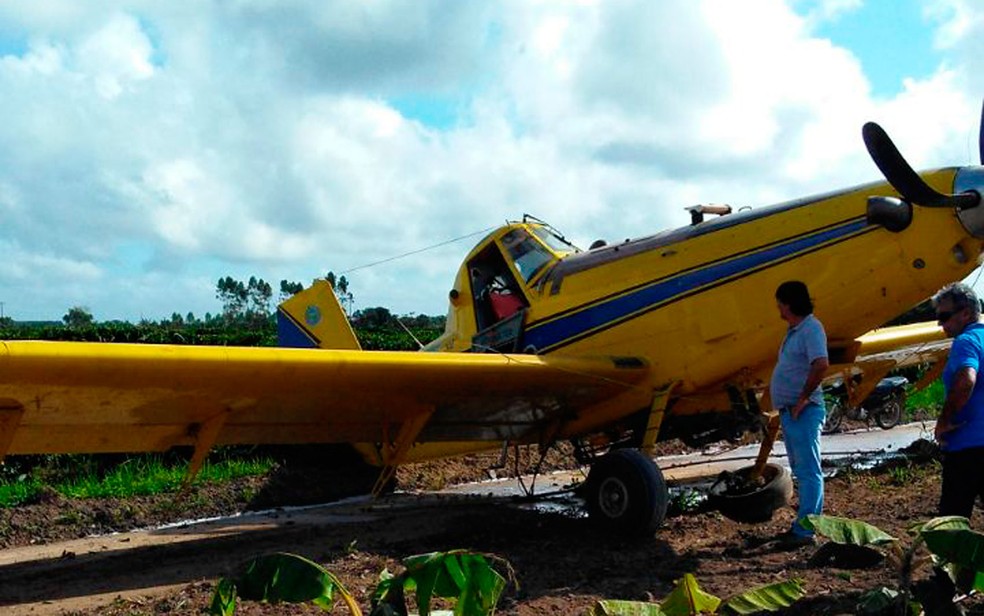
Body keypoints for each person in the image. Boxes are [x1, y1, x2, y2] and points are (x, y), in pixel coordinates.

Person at [770, 280, 829, 548]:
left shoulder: (811, 329)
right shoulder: (794, 331)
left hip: (803, 411)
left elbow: (820, 364)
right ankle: (802, 525)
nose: (779, 309)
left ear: (789, 303)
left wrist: (803, 398)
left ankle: (806, 530)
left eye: (780, 303)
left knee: (808, 471)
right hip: (792, 411)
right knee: (801, 469)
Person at [933, 282, 984, 518]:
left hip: (968, 448)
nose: (940, 323)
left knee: (951, 526)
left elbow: (966, 379)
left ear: (965, 313)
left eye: (944, 316)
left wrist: (945, 420)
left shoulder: (966, 341)